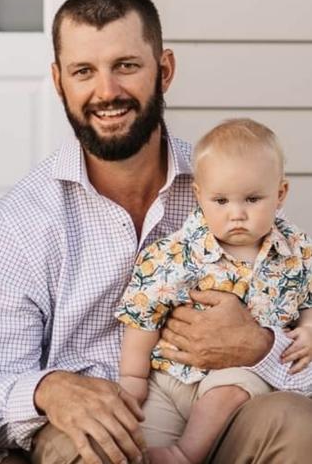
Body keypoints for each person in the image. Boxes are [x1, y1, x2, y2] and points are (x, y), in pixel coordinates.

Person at [0, 0, 312, 464]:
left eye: (126, 66)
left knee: (296, 423)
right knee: (96, 449)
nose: (107, 92)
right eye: (84, 71)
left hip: (224, 408)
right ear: (59, 81)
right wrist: (50, 390)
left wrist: (259, 346)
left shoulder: (235, 191)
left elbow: (300, 322)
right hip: (93, 430)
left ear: (163, 71)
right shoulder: (19, 222)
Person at [117, 119, 312, 464]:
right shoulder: (176, 253)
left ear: (280, 194)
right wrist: (132, 377)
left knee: (232, 387)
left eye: (252, 199)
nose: (237, 214)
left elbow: (309, 298)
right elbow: (143, 314)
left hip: (238, 374)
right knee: (143, 437)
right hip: (170, 377)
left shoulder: (298, 250)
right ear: (199, 195)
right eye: (220, 200)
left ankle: (186, 453)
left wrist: (308, 329)